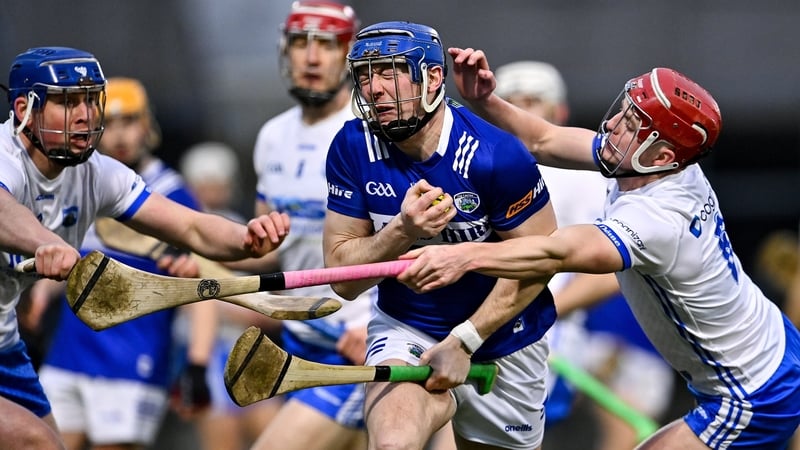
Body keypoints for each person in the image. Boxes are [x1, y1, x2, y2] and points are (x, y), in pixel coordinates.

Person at [399, 47, 800, 449]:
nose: (610, 124)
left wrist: (461, 256)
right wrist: (483, 100)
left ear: (660, 153)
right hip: (770, 347)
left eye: (631, 123)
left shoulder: (659, 219)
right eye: (624, 112)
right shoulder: (656, 163)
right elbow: (543, 138)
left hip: (751, 391)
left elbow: (554, 253)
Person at [0, 46, 289, 450]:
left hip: (13, 347)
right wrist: (45, 244)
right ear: (23, 109)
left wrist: (245, 240)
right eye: (67, 102)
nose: (85, 114)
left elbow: (192, 227)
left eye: (89, 99)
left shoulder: (97, 175)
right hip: (66, 351)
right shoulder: (4, 156)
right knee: (37, 442)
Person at [323, 21, 559, 450]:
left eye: (390, 71)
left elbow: (542, 260)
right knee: (393, 442)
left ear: (433, 77)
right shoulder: (353, 145)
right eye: (364, 74)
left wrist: (465, 340)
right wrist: (402, 229)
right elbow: (343, 279)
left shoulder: (497, 155)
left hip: (503, 335)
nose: (374, 89)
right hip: (407, 327)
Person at [494, 60, 675, 449]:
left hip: (543, 342)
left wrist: (540, 306)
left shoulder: (588, 178)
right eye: (509, 101)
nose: (521, 109)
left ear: (558, 112)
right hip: (472, 329)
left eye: (532, 100)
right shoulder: (473, 164)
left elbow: (615, 269)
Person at [33, 76, 220, 450]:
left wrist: (197, 364)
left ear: (147, 125)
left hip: (132, 358)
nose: (119, 135)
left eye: (129, 121)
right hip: (69, 353)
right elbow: (70, 257)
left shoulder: (172, 195)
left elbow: (203, 288)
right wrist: (38, 296)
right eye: (111, 123)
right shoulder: (79, 181)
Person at [248, 3, 375, 450]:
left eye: (327, 44)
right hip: (298, 340)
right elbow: (266, 251)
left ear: (349, 55)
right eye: (301, 43)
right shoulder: (272, 137)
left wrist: (375, 325)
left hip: (357, 343)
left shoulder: (370, 136)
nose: (312, 58)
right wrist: (197, 257)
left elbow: (412, 240)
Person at [180, 141, 285, 450]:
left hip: (248, 346)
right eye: (205, 184)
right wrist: (245, 310)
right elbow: (190, 299)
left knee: (274, 435)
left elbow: (269, 282)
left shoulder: (240, 228)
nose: (211, 191)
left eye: (217, 183)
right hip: (208, 351)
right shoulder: (178, 231)